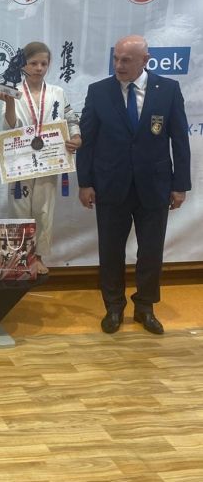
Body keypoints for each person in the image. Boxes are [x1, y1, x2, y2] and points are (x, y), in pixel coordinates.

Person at [76, 35, 191, 335]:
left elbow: (180, 139)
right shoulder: (99, 91)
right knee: (110, 251)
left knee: (151, 251)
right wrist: (85, 182)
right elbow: (87, 141)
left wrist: (180, 185)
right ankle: (114, 307)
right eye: (115, 58)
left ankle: (145, 307)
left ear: (145, 60)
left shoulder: (168, 90)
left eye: (126, 60)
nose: (118, 65)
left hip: (154, 185)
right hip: (110, 184)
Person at [0, 41, 82, 275]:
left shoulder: (57, 92)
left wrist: (76, 137)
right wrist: (10, 102)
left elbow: (71, 118)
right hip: (20, 160)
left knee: (44, 210)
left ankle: (38, 256)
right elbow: (10, 126)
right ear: (23, 65)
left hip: (49, 159)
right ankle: (20, 256)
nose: (39, 68)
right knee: (19, 209)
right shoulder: (13, 91)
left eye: (43, 63)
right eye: (33, 63)